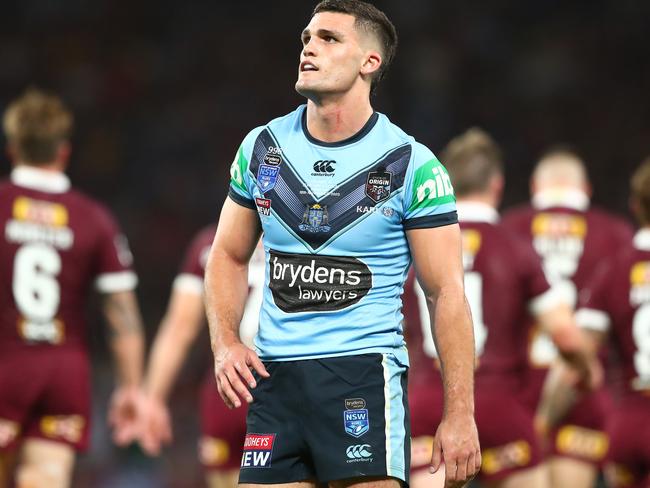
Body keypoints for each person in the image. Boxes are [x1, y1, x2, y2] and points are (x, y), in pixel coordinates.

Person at [204, 1, 480, 487]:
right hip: (275, 382)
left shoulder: (411, 165)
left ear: (369, 63)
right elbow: (227, 254)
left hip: (362, 376)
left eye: (329, 39)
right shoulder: (261, 149)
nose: (310, 47)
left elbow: (446, 294)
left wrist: (460, 414)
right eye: (307, 38)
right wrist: (225, 342)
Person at [404, 128, 597, 488]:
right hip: (498, 403)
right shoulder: (514, 247)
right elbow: (566, 338)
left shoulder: (415, 250)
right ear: (497, 185)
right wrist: (587, 369)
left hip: (429, 402)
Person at [0, 88, 145, 488]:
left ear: (12, 149)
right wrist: (131, 387)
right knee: (44, 477)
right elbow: (121, 309)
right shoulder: (93, 218)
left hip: (5, 362)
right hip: (63, 371)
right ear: (63, 151)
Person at [502, 148, 634, 487]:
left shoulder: (509, 229)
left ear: (535, 186)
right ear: (586, 189)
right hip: (587, 388)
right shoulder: (616, 234)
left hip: (517, 391)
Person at [549, 158, 650, 487]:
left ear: (636, 205)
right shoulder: (614, 245)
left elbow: (576, 360)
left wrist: (542, 419)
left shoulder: (616, 268)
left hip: (628, 425)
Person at [139, 226, 265, 488]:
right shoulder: (306, 240)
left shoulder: (211, 244)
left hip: (230, 386)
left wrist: (154, 397)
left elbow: (180, 328)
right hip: (283, 385)